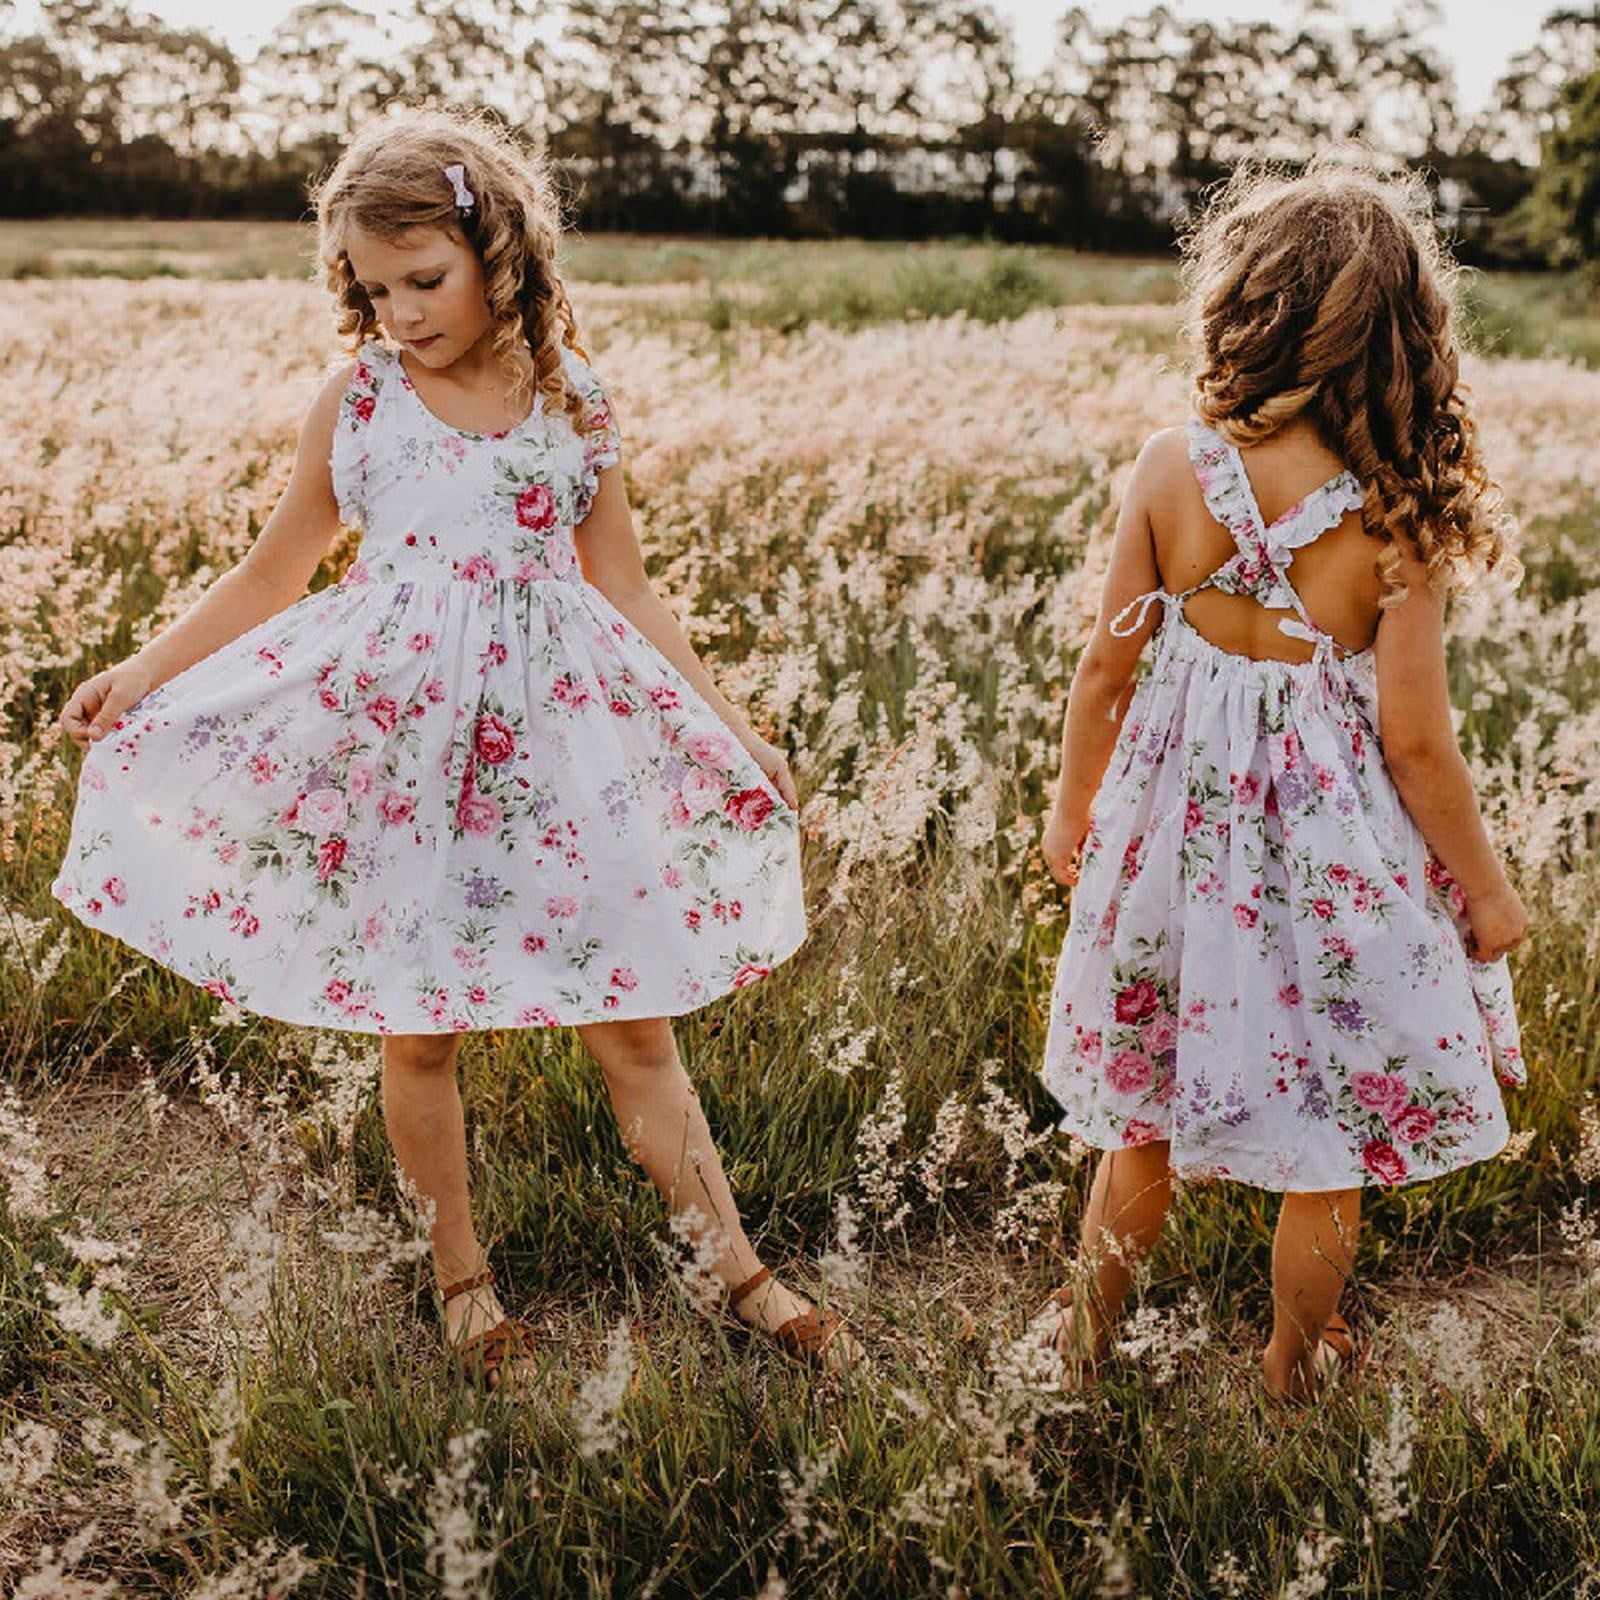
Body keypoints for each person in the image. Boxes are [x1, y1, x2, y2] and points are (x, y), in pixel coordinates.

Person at [53, 108, 855, 1386]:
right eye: (375, 291)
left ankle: (735, 1268)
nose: (403, 312)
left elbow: (628, 591)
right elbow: (277, 570)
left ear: (502, 251)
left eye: (424, 280)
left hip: (558, 743)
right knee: (419, 1032)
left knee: (632, 1025)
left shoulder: (571, 398)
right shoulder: (362, 398)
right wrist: (145, 671)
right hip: (405, 750)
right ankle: (464, 1284)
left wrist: (734, 728)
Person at [1035, 158, 1527, 1403]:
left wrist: (1069, 811)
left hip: (1176, 844)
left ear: (1241, 308)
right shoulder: (1396, 516)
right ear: (1406, 342)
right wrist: (1485, 888)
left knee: (1139, 1115)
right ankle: (1290, 1360)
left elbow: (1105, 669)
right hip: (1329, 862)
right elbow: (1416, 745)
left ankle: (1084, 1337)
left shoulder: (1168, 466)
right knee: (1329, 1134)